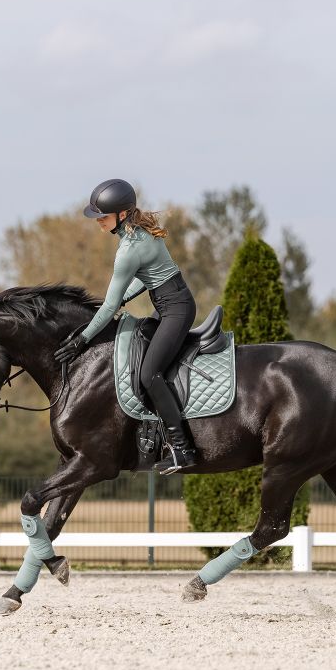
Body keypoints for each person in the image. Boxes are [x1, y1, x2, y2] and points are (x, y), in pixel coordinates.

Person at [54, 178, 198, 473]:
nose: (98, 221)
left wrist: (82, 339)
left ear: (121, 214)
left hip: (176, 310)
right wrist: (118, 300)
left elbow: (109, 307)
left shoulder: (129, 248)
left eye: (102, 216)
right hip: (169, 305)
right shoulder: (138, 233)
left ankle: (183, 449)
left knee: (149, 374)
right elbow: (144, 281)